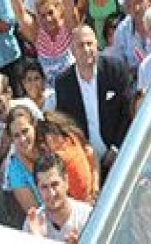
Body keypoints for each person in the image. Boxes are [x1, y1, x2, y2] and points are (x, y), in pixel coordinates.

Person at [54, 26, 134, 169]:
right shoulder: (63, 83)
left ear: (97, 44)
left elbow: (127, 112)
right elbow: (66, 124)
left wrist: (116, 148)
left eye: (89, 43)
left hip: (120, 155)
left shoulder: (116, 70)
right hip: (85, 161)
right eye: (80, 45)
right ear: (72, 50)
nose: (86, 49)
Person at [23, 153, 94, 241]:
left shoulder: (88, 218)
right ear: (37, 189)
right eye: (44, 187)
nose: (51, 193)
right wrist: (38, 238)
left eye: (54, 184)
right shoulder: (33, 223)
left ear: (66, 181)